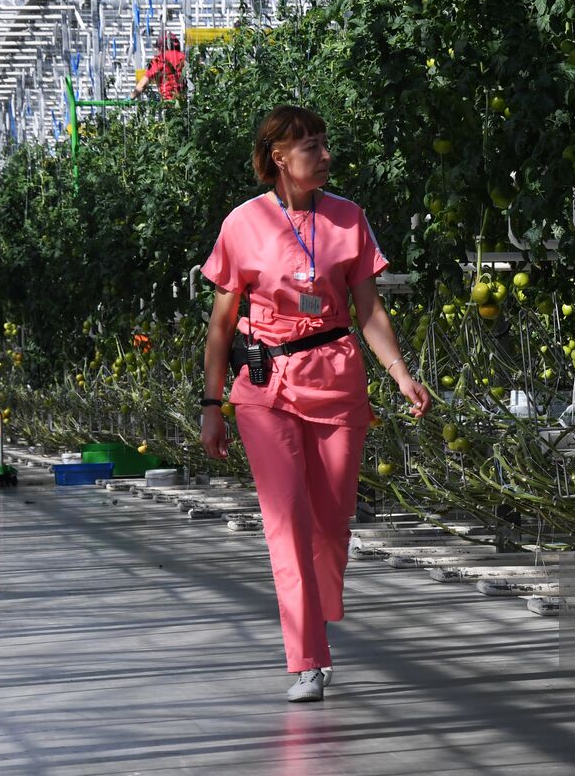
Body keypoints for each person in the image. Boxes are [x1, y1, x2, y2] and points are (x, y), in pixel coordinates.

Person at [198, 105, 430, 703]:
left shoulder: (349, 219)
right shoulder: (243, 224)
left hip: (336, 379)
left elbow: (370, 309)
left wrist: (401, 374)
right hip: (264, 386)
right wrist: (212, 404)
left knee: (330, 524)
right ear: (279, 158)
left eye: (326, 144)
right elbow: (222, 326)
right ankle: (306, 657)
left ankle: (318, 618)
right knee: (287, 524)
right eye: (313, 147)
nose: (325, 156)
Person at [132, 33, 186, 100]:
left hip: (168, 102)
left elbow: (142, 84)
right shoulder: (184, 58)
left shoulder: (159, 59)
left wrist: (131, 97)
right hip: (183, 103)